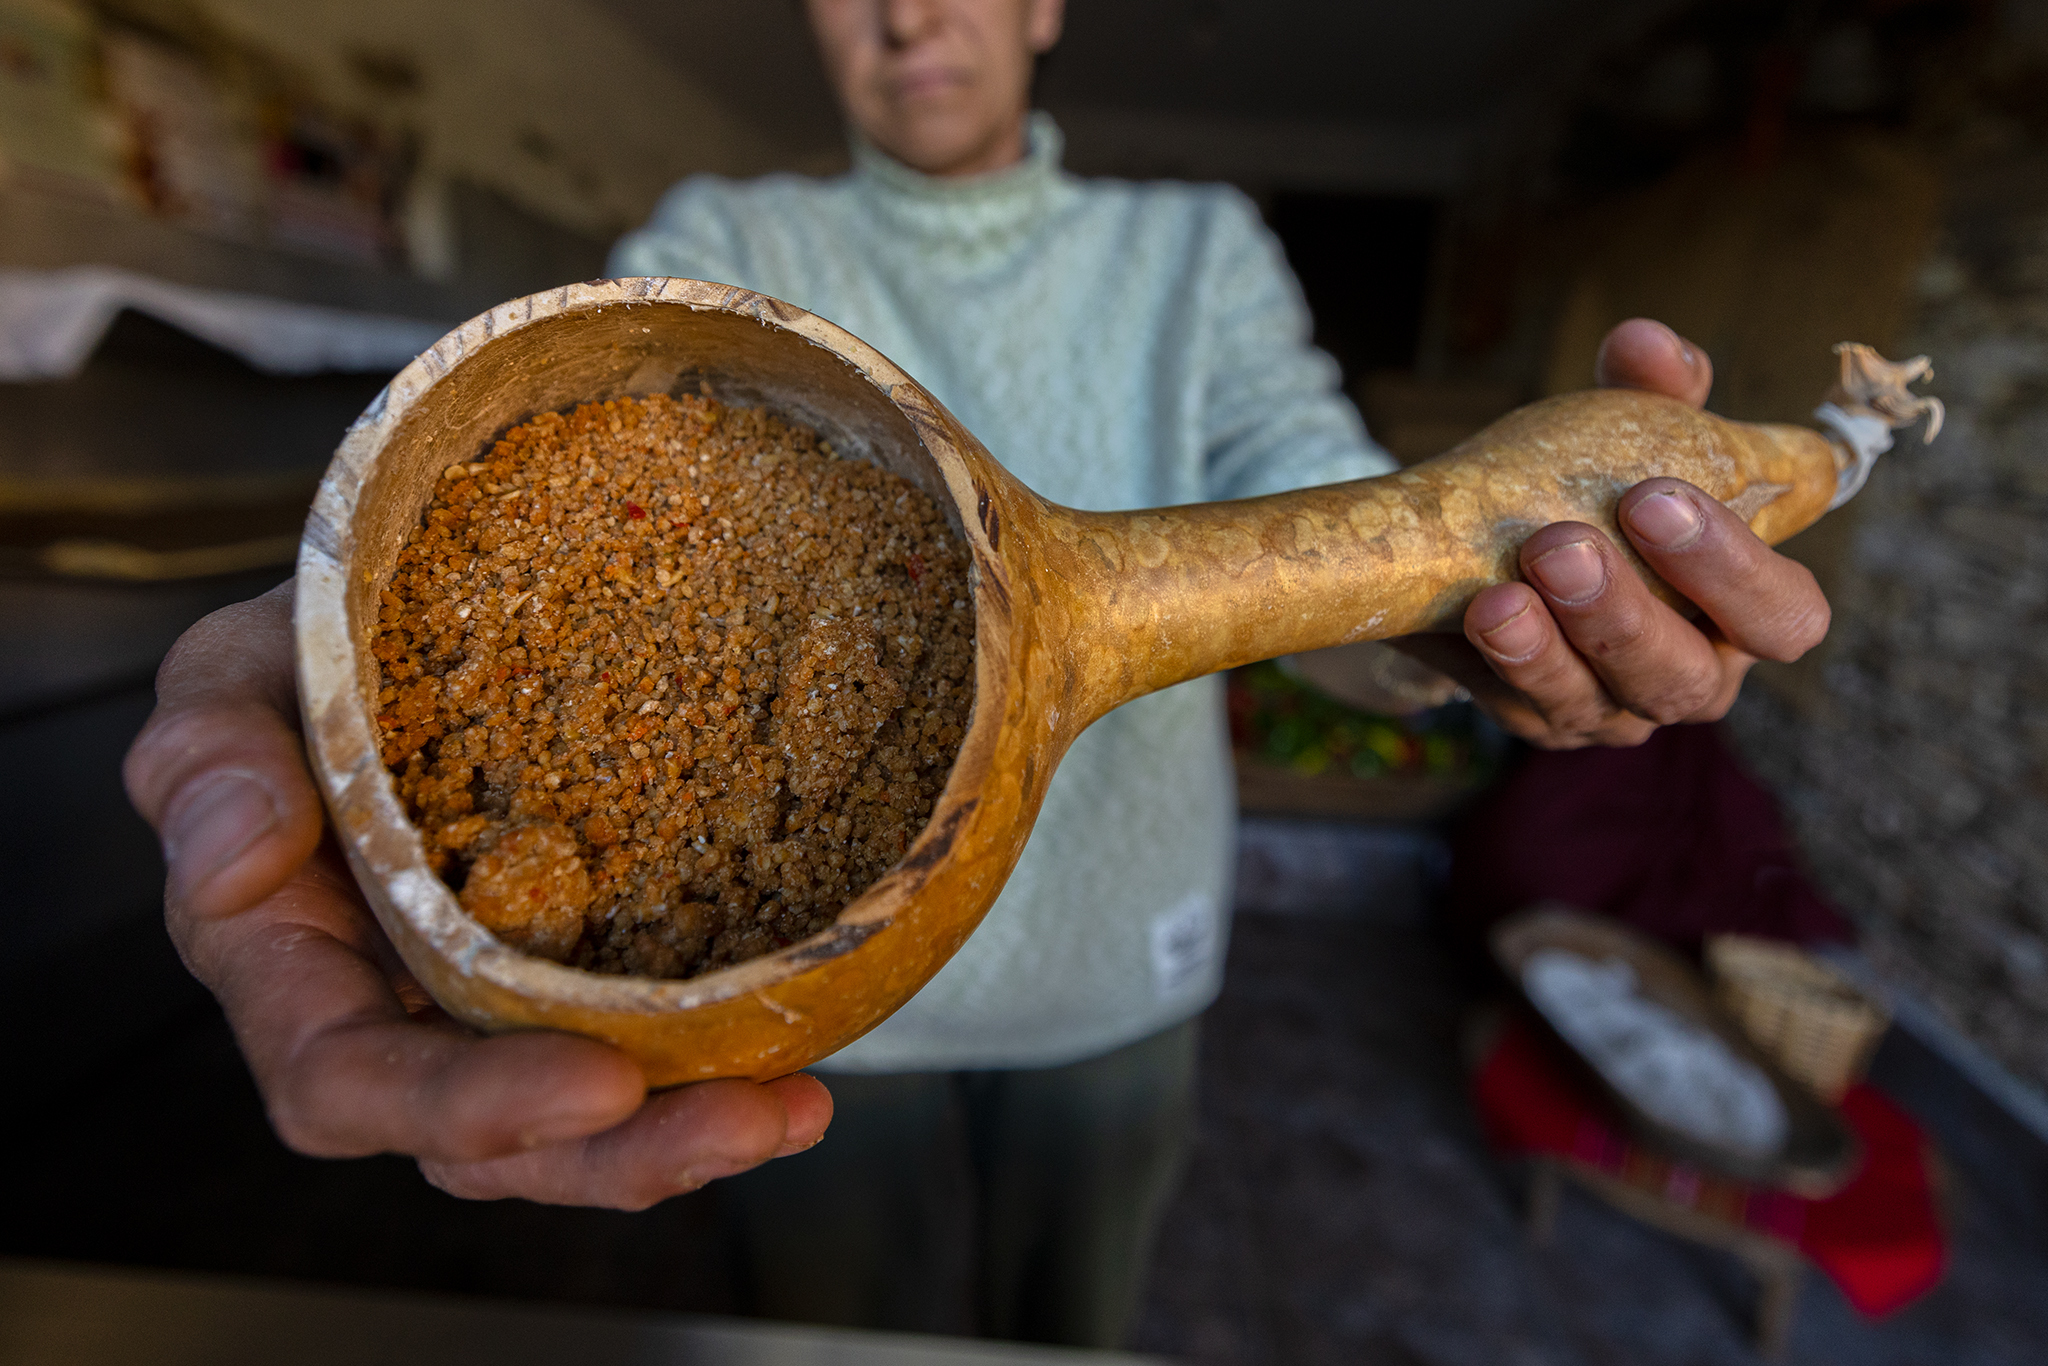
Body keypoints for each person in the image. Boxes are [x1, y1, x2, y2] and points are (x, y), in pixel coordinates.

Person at [121, 0, 1831, 1347]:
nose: (906, 15)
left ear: (1045, 4)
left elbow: (1322, 498)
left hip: (1114, 989)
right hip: (774, 1017)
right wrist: (343, 634)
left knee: (1064, 1332)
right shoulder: (721, 230)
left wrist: (1493, 621)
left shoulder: (1195, 247)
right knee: (824, 1334)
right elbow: (498, 474)